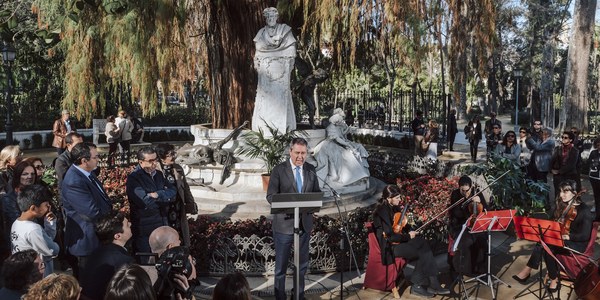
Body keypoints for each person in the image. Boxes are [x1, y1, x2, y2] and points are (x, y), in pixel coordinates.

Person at [512, 180, 593, 292]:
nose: (561, 195)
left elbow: (585, 236)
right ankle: (550, 278)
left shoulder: (584, 211)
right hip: (560, 237)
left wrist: (568, 236)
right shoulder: (562, 204)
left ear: (575, 193)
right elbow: (550, 222)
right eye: (560, 191)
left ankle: (538, 273)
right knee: (544, 240)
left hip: (576, 243)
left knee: (547, 245)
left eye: (565, 191)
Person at [266, 137, 321, 300]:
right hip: (284, 226)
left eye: (303, 153)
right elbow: (270, 195)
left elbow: (316, 193)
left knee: (302, 265)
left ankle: (298, 294)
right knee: (281, 267)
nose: (300, 157)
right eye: (297, 153)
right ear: (290, 151)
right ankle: (280, 296)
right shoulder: (279, 170)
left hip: (304, 225)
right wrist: (288, 203)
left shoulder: (311, 169)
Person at [372, 185, 450, 297]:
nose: (400, 200)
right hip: (390, 247)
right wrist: (408, 237)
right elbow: (390, 236)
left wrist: (412, 230)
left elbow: (402, 225)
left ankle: (433, 284)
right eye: (397, 198)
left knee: (423, 243)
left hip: (398, 241)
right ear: (389, 198)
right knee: (422, 252)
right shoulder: (382, 211)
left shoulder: (394, 207)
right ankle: (418, 286)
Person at [61, 142, 112, 274]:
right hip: (87, 242)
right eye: (95, 157)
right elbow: (91, 213)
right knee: (88, 284)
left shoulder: (86, 172)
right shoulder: (74, 181)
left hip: (97, 237)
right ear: (84, 161)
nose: (98, 159)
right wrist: (114, 219)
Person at [252, 7, 297, 134]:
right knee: (264, 97)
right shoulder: (261, 33)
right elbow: (259, 48)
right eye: (268, 17)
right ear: (266, 19)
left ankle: (284, 127)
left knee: (283, 94)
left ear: (276, 17)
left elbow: (291, 48)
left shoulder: (285, 30)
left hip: (283, 65)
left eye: (273, 17)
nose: (271, 19)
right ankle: (264, 126)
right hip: (266, 68)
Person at [126, 147, 177, 257]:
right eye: (150, 161)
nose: (154, 163)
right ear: (141, 162)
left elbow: (173, 191)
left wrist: (158, 194)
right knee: (147, 260)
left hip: (161, 223)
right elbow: (145, 201)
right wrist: (164, 197)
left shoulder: (158, 174)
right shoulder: (134, 178)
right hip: (144, 227)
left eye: (155, 160)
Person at [80, 211, 134, 300]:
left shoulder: (95, 253)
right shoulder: (123, 260)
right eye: (127, 225)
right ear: (117, 236)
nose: (131, 224)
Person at [312, 109, 370, 186]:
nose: (340, 122)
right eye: (339, 121)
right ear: (336, 120)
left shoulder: (336, 126)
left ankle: (361, 173)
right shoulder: (330, 128)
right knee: (345, 155)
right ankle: (351, 176)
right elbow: (338, 139)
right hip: (329, 145)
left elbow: (341, 134)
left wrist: (347, 130)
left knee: (353, 150)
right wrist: (347, 144)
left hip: (337, 143)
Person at [10, 184, 58, 277]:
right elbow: (52, 250)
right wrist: (55, 246)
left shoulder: (16, 223)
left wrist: (49, 223)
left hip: (23, 272)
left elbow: (47, 239)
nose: (49, 207)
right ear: (33, 208)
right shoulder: (33, 229)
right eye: (46, 205)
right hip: (37, 275)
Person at [155, 143, 197, 247]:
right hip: (164, 209)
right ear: (162, 156)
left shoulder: (178, 168)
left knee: (180, 234)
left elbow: (185, 187)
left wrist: (190, 203)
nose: (173, 156)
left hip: (178, 207)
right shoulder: (155, 170)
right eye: (170, 154)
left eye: (174, 153)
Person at [448, 176, 488, 276]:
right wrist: (467, 201)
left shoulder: (476, 192)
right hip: (460, 225)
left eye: (467, 190)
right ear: (459, 188)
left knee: (483, 240)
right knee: (466, 242)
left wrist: (480, 202)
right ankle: (463, 269)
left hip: (475, 225)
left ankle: (479, 268)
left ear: (471, 187)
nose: (465, 193)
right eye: (463, 190)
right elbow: (457, 214)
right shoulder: (455, 194)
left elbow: (486, 209)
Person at [2, 161, 37, 248]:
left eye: (32, 174)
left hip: (39, 238)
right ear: (18, 176)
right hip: (21, 243)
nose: (30, 177)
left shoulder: (38, 192)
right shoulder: (9, 198)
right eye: (25, 174)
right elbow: (18, 221)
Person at [551, 131, 580, 197]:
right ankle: (557, 207)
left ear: (571, 140)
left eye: (566, 137)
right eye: (562, 137)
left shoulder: (575, 151)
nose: (563, 139)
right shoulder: (557, 149)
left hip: (569, 175)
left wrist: (559, 171)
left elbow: (571, 165)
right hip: (557, 176)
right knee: (558, 193)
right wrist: (552, 169)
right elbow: (552, 160)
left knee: (567, 194)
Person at [588, 137, 600, 221]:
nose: (599, 146)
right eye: (598, 145)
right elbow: (590, 163)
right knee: (597, 197)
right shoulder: (593, 152)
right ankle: (598, 216)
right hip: (594, 178)